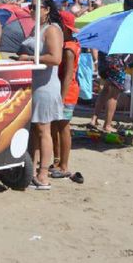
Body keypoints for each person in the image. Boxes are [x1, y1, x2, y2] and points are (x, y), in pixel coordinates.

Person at [17, 0, 63, 190]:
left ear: (47, 9)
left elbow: (55, 58)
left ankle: (44, 173)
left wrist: (29, 59)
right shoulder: (38, 28)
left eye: (36, 7)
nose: (32, 11)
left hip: (46, 87)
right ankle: (34, 169)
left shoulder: (51, 29)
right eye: (31, 7)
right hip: (35, 84)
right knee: (35, 130)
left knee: (44, 130)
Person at [89, 0, 133, 133]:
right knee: (114, 93)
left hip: (105, 57)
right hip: (117, 60)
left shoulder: (114, 17)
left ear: (124, 4)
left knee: (105, 89)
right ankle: (108, 124)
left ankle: (94, 118)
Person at [51, 11, 80, 179]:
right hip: (66, 90)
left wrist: (61, 98)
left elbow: (68, 76)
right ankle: (57, 160)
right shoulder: (70, 44)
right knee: (57, 126)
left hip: (67, 92)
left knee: (63, 128)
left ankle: (64, 165)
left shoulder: (69, 48)